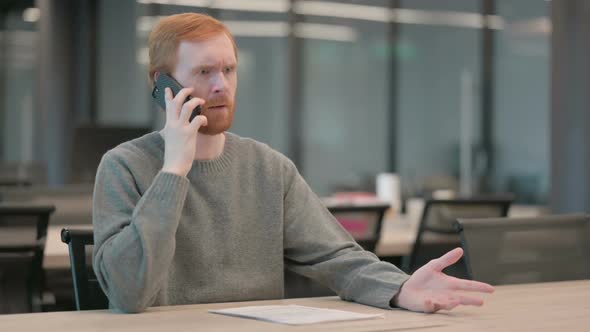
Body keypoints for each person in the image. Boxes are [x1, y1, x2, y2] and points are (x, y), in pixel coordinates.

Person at [92, 13, 494, 314]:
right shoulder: (123, 167)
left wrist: (402, 288)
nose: (222, 85)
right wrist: (173, 171)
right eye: (204, 72)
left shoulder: (269, 168)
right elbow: (128, 293)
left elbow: (340, 258)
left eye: (229, 69)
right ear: (163, 85)